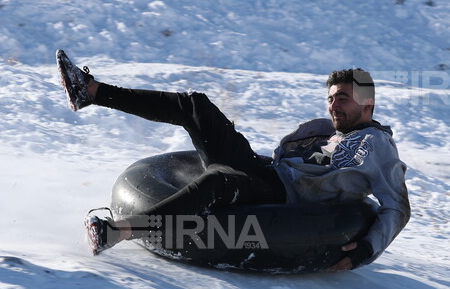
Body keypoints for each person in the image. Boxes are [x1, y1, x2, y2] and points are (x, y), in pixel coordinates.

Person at [57, 52, 410, 271]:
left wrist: (365, 250)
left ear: (368, 105)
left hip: (281, 198)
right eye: (331, 98)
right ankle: (89, 91)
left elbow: (397, 208)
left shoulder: (377, 146)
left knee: (219, 181)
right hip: (265, 172)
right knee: (196, 106)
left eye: (343, 99)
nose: (334, 106)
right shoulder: (326, 131)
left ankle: (117, 232)